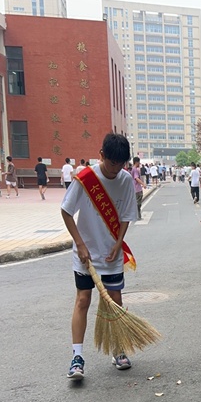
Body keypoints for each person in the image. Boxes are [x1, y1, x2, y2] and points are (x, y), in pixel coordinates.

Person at [60, 133, 138, 380]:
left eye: (121, 164)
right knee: (83, 300)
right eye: (113, 163)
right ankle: (77, 357)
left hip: (110, 254)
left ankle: (118, 349)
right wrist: (80, 244)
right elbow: (66, 211)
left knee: (115, 301)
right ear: (102, 155)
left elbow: (126, 216)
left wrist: (118, 243)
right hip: (85, 254)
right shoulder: (86, 179)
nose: (116, 169)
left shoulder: (125, 180)